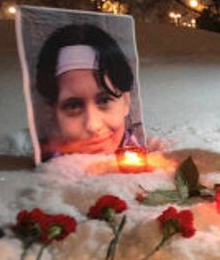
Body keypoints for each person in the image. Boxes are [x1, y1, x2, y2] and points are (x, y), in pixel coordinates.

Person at [35, 23, 142, 160]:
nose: (93, 125)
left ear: (126, 102)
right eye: (73, 106)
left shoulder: (146, 152)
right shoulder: (43, 161)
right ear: (52, 112)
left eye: (104, 100)